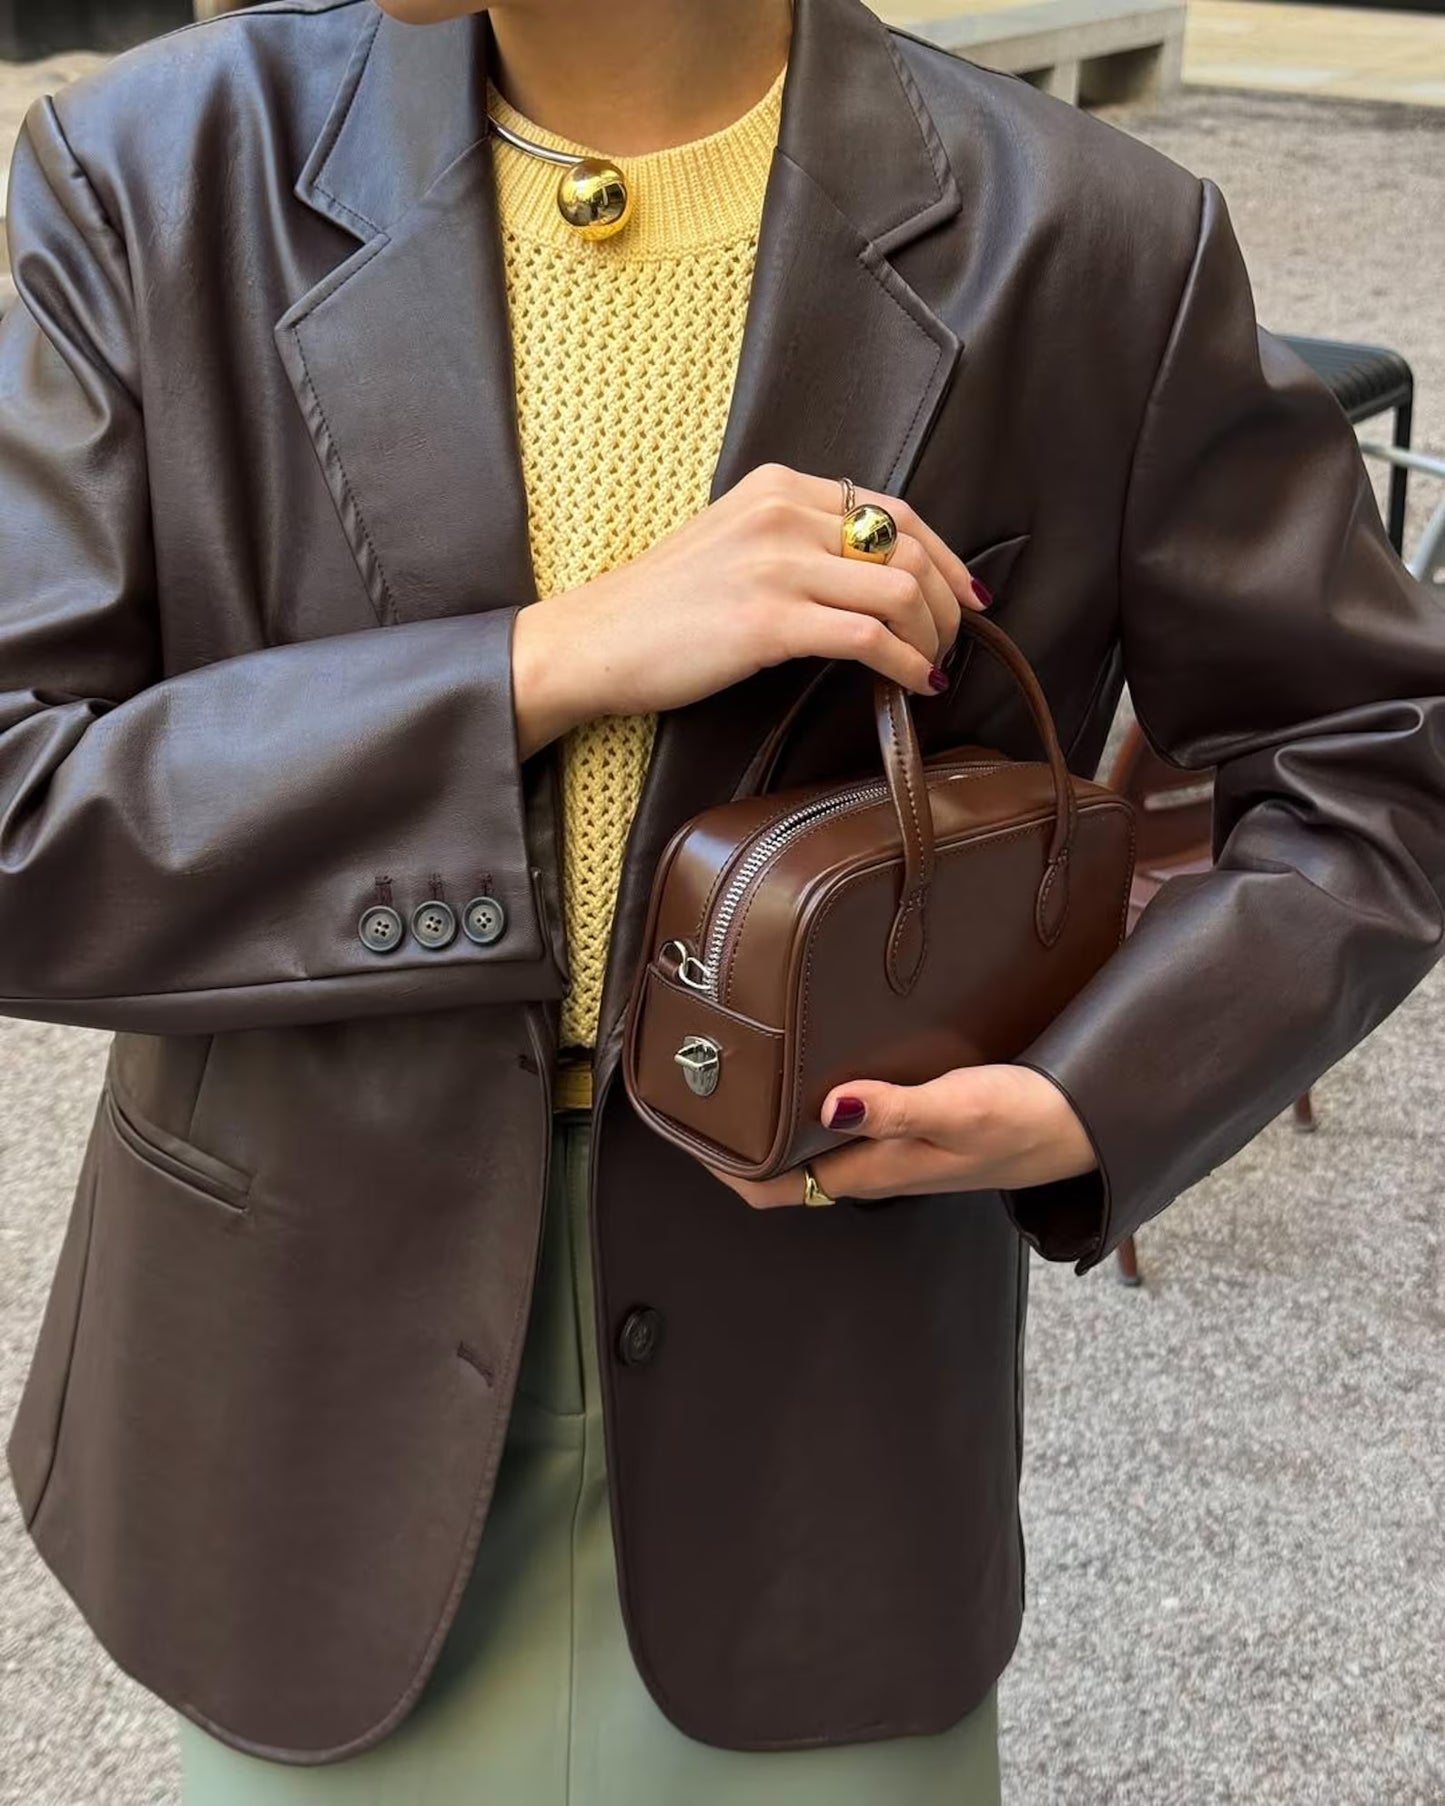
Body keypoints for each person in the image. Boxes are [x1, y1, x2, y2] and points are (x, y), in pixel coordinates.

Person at [2, 0, 1442, 1800]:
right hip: (299, 1384)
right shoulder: (155, 178)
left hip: (824, 1427)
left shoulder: (1085, 240)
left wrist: (1103, 1087)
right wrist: (542, 661)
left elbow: (1374, 754)